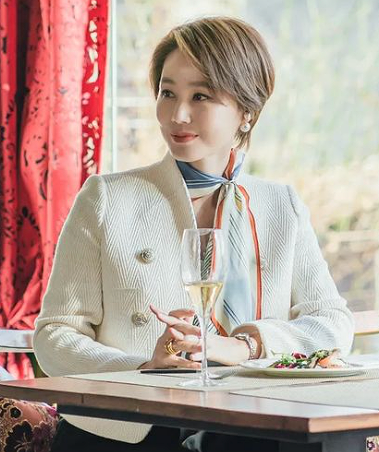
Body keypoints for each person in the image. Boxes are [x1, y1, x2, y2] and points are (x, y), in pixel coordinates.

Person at [34, 16, 354, 452]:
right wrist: (143, 369)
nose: (177, 115)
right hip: (128, 430)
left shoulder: (281, 205)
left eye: (200, 96)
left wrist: (245, 346)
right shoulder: (107, 198)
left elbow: (334, 324)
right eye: (168, 93)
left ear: (247, 112)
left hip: (252, 425)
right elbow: (55, 336)